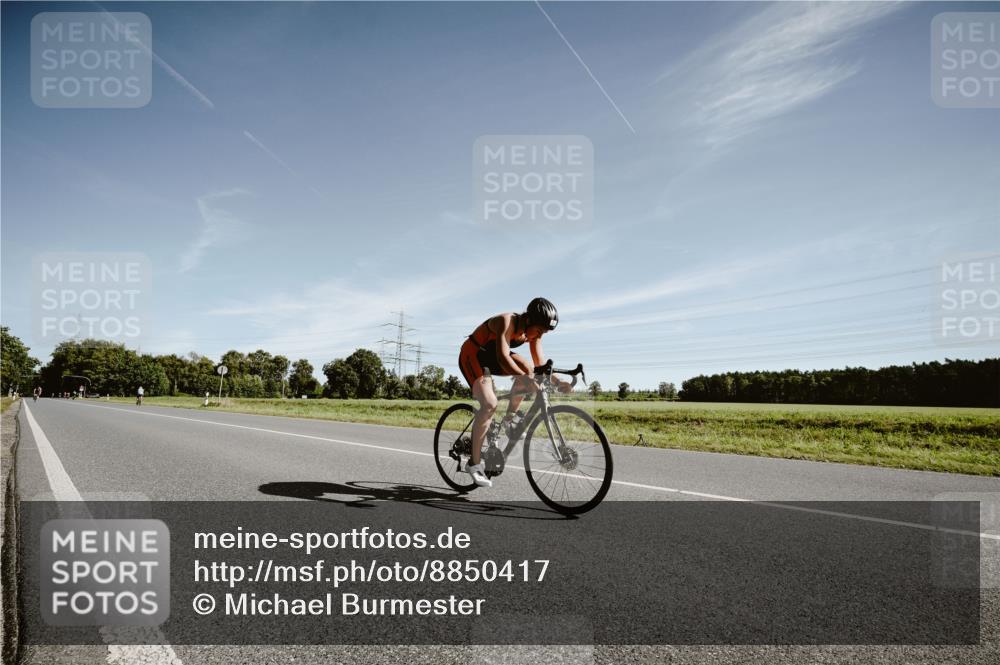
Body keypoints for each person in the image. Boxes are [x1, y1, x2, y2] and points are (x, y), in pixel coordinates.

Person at [457, 297, 570, 488]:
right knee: (490, 404)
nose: (539, 336)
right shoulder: (506, 321)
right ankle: (474, 464)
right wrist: (525, 378)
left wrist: (559, 381)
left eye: (544, 332)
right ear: (528, 320)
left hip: (492, 358)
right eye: (539, 330)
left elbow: (539, 366)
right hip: (474, 355)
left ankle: (509, 421)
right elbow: (502, 356)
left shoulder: (534, 334)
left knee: (528, 368)